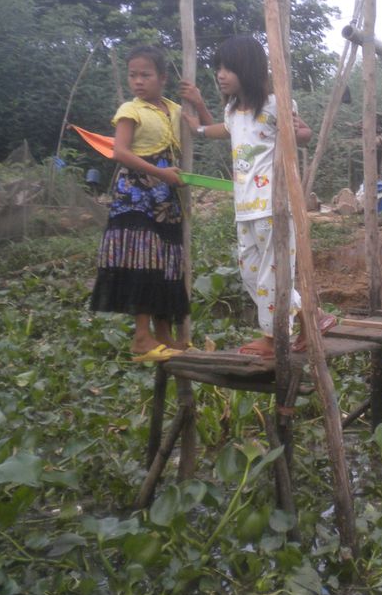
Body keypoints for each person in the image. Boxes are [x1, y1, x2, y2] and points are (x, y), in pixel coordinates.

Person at [182, 35, 334, 357]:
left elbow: (303, 135)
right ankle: (312, 318)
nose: (220, 74)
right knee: (249, 270)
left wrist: (300, 132)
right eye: (218, 68)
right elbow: (223, 130)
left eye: (228, 68)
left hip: (273, 205)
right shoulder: (234, 110)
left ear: (247, 69)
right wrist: (197, 122)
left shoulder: (275, 103)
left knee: (272, 271)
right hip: (245, 207)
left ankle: (272, 337)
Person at [90, 45, 189, 362]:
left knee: (165, 262)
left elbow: (201, 126)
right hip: (136, 195)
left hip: (165, 198)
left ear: (162, 77)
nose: (138, 81)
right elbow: (119, 152)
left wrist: (197, 99)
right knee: (142, 260)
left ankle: (164, 335)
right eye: (133, 75)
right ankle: (142, 338)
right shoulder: (129, 110)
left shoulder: (173, 108)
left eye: (145, 75)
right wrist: (160, 173)